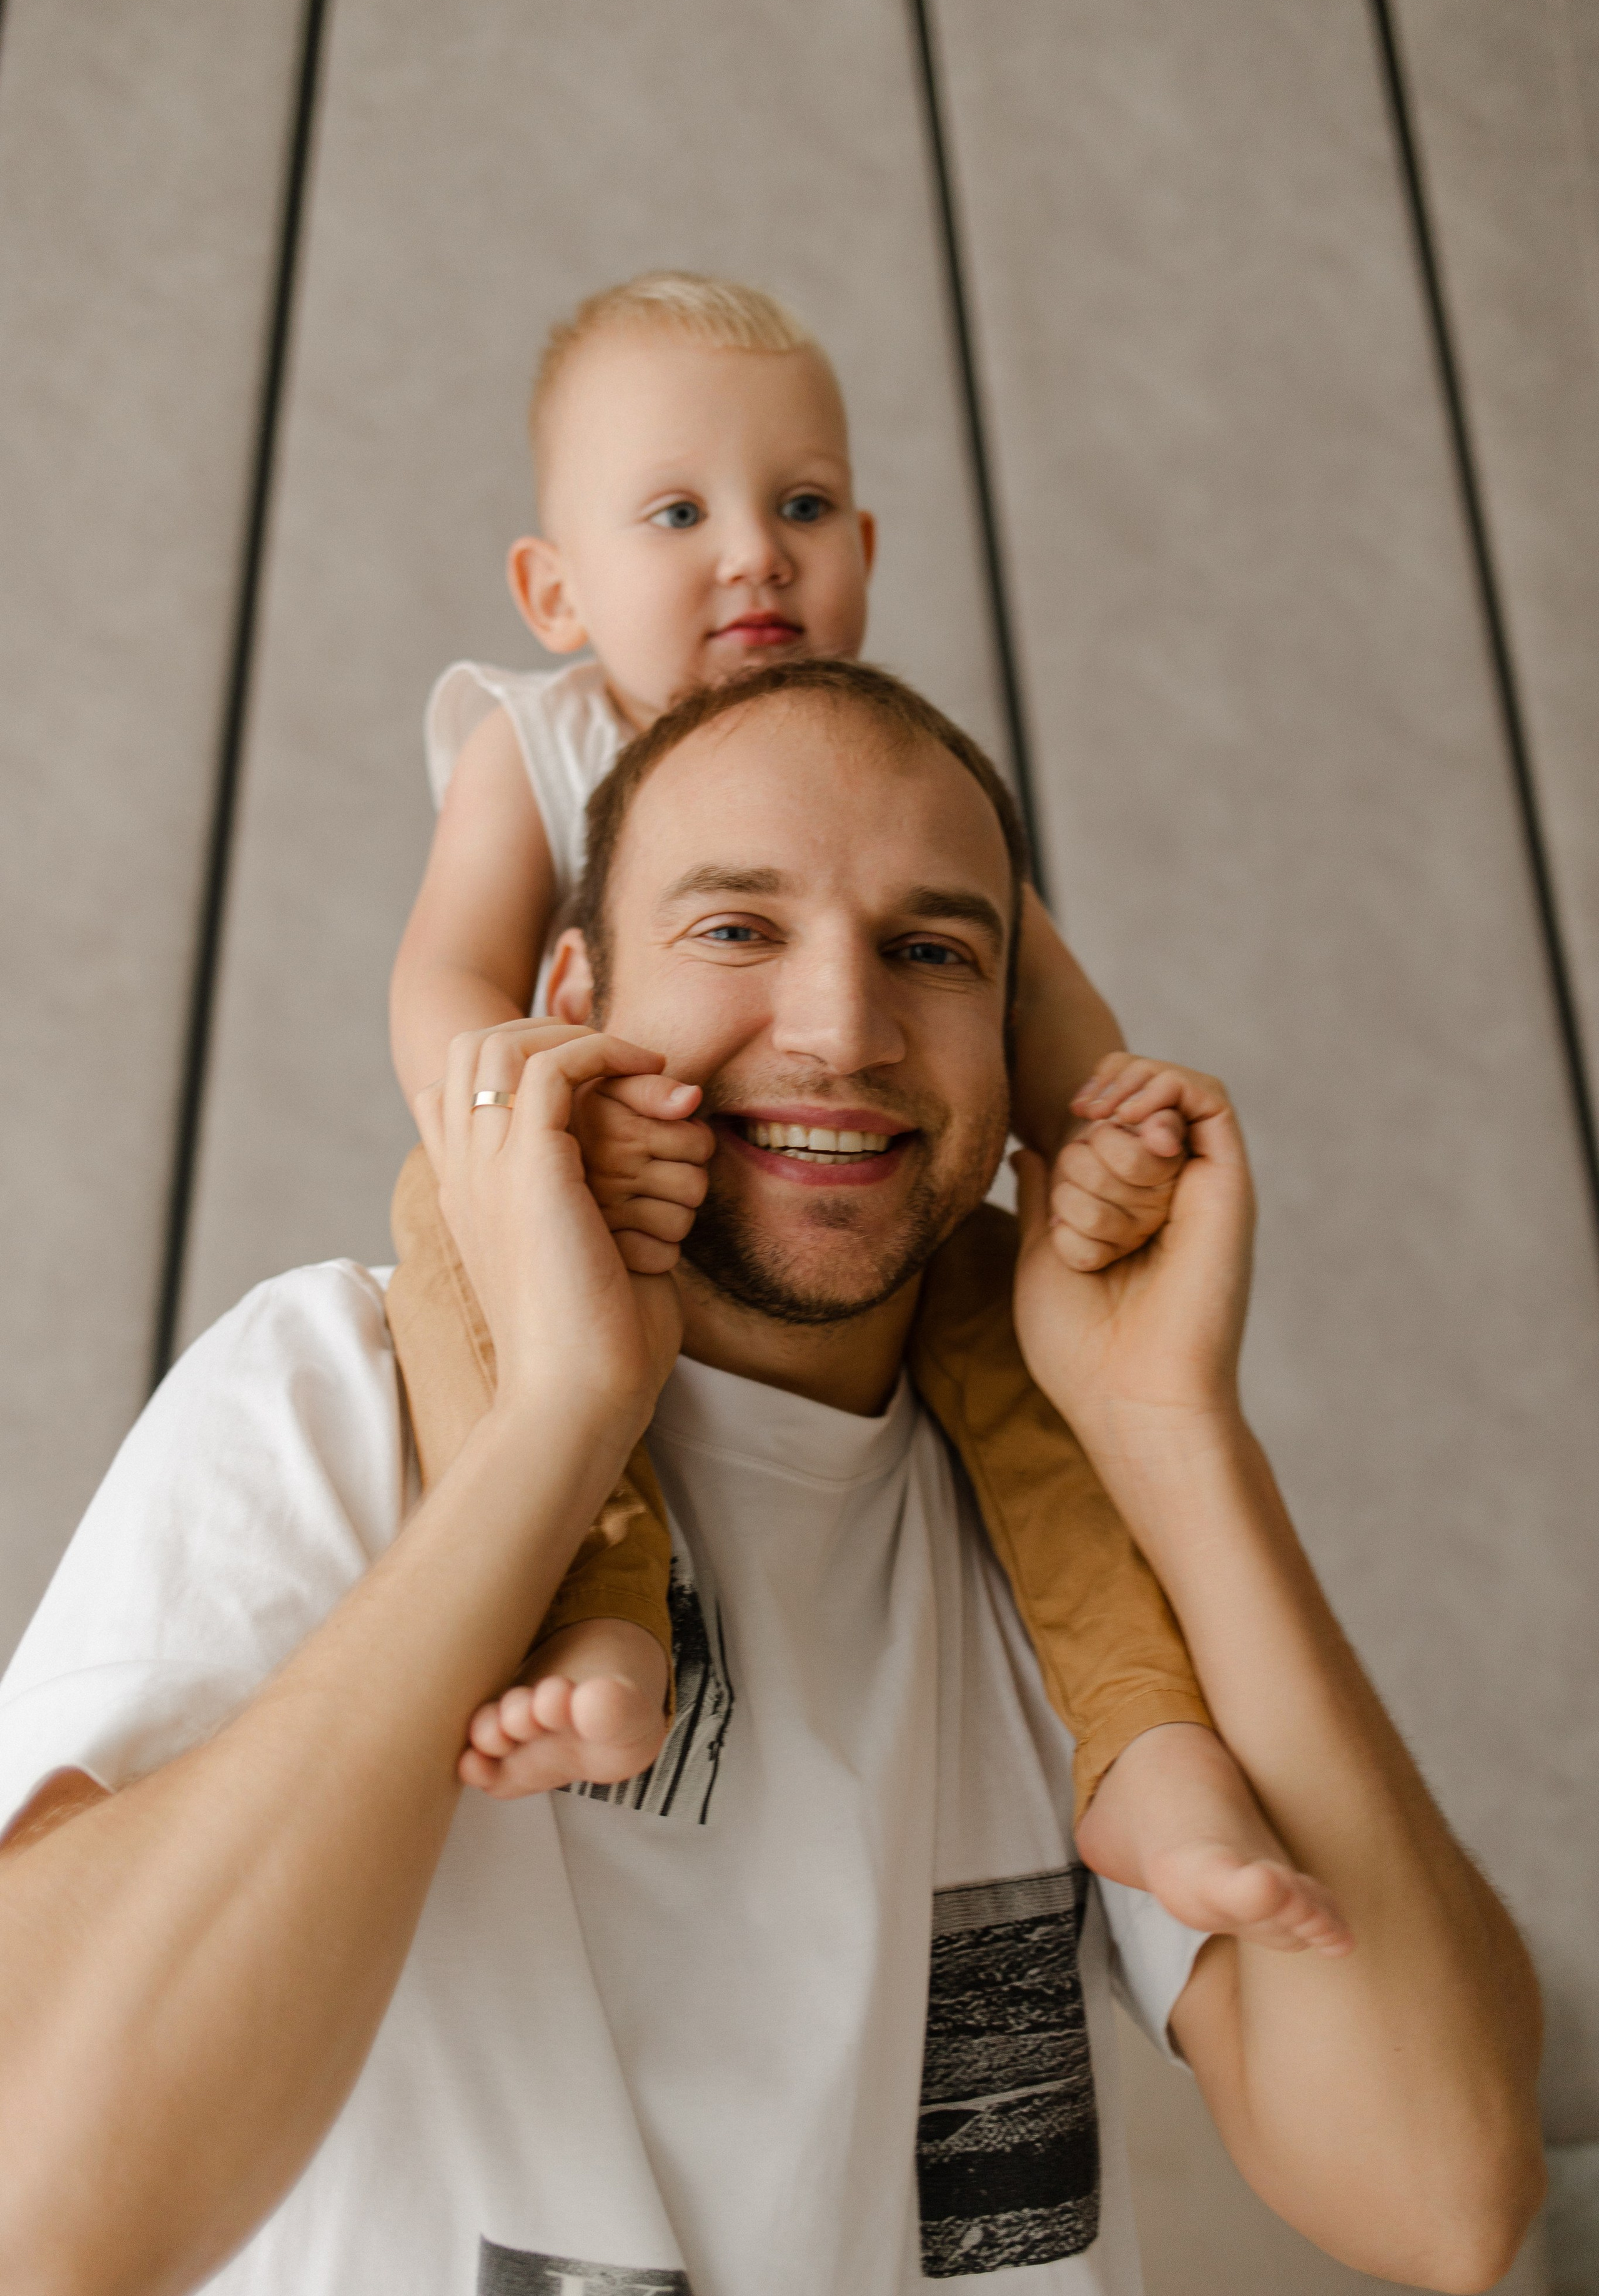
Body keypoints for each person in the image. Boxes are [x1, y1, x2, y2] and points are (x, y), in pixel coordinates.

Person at [0, 661, 1542, 2295]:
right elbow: (45, 2217)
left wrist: (1175, 1428)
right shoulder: (329, 1393)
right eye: (736, 930)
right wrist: (560, 1418)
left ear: (1015, 1048)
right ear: (573, 990)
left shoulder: (1073, 1513)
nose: (842, 1030)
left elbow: (1441, 2198)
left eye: (932, 952)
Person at [385, 270, 1325, 1945]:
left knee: (1036, 1375)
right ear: (554, 589)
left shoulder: (896, 779)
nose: (754, 549)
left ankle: (1147, 1739)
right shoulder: (535, 745)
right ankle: (598, 1613)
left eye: (801, 504)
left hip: (858, 1222)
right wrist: (519, 1112)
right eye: (679, 512)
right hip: (597, 1182)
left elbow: (1043, 1012)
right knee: (443, 1245)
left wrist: (1099, 1141)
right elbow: (447, 979)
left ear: (868, 559)